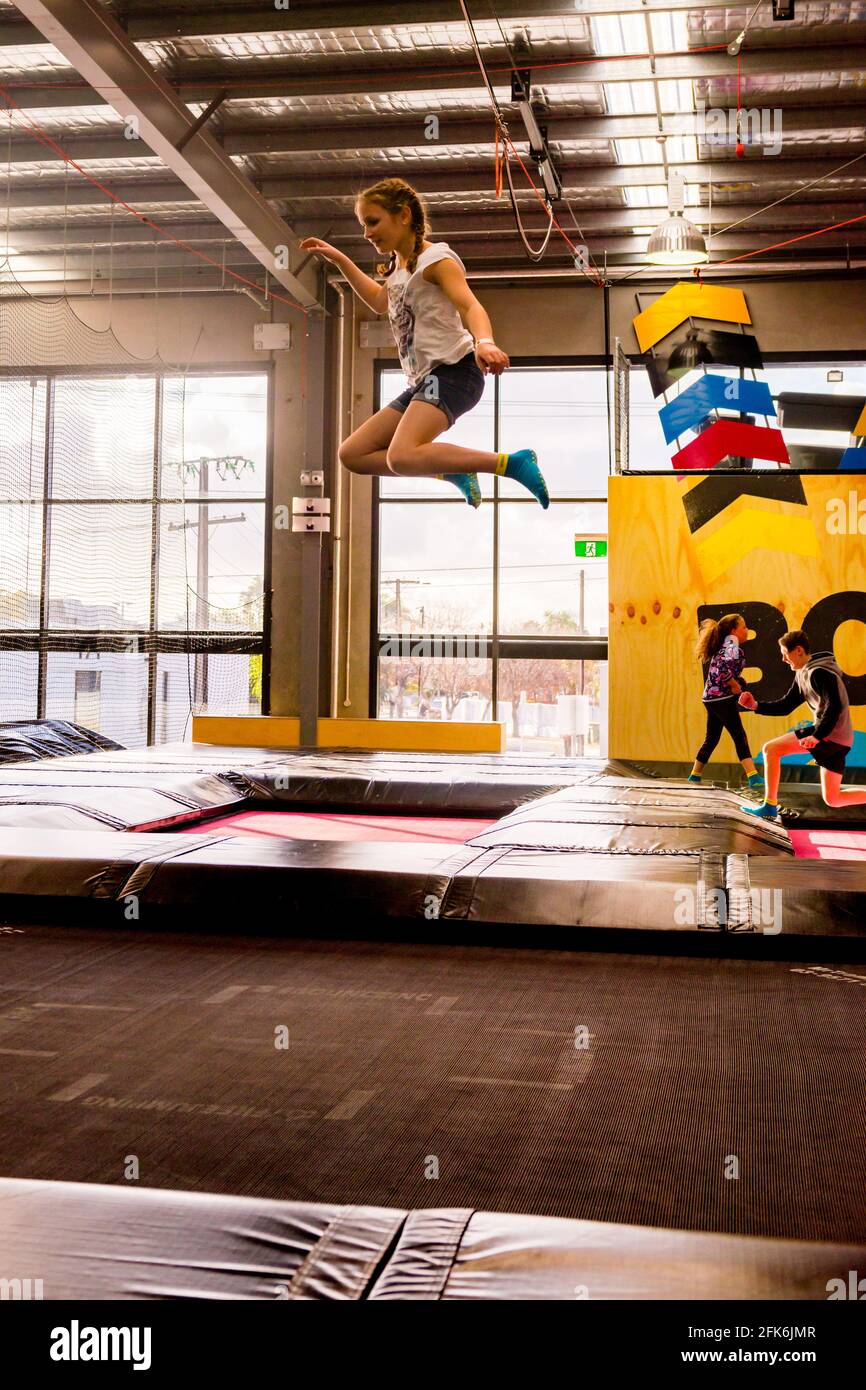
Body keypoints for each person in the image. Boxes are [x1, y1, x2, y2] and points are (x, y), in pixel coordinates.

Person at [298, 177, 549, 509]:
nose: (367, 233)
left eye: (373, 222)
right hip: (426, 382)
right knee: (353, 454)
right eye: (363, 225)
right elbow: (377, 300)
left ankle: (511, 463)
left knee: (400, 456)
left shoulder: (437, 260)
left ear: (403, 215)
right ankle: (450, 471)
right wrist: (339, 259)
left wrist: (485, 342)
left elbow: (470, 305)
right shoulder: (398, 268)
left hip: (455, 373)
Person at [738, 629, 866, 819]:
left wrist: (817, 736)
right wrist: (756, 706)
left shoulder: (819, 673)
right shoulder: (804, 673)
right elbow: (786, 705)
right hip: (840, 739)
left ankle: (769, 806)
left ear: (798, 650)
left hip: (830, 734)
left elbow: (835, 706)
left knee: (770, 749)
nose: (783, 659)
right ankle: (769, 806)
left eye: (784, 653)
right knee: (833, 798)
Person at [688, 613, 763, 791]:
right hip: (720, 698)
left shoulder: (728, 646)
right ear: (733, 631)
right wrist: (733, 683)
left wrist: (739, 682)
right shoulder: (731, 644)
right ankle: (753, 776)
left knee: (712, 737)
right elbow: (721, 668)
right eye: (743, 627)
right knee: (739, 734)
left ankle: (695, 774)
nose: (747, 630)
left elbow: (721, 669)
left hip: (711, 698)